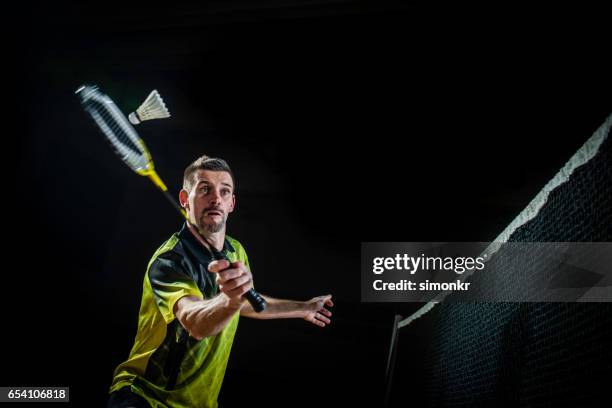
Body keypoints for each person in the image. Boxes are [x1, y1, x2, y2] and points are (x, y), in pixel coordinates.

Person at [108, 155, 333, 408]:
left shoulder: (236, 251)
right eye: (205, 189)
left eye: (224, 191)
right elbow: (195, 322)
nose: (216, 198)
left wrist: (303, 308)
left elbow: (246, 302)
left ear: (232, 203)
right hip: (146, 397)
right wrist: (229, 299)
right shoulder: (169, 260)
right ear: (185, 200)